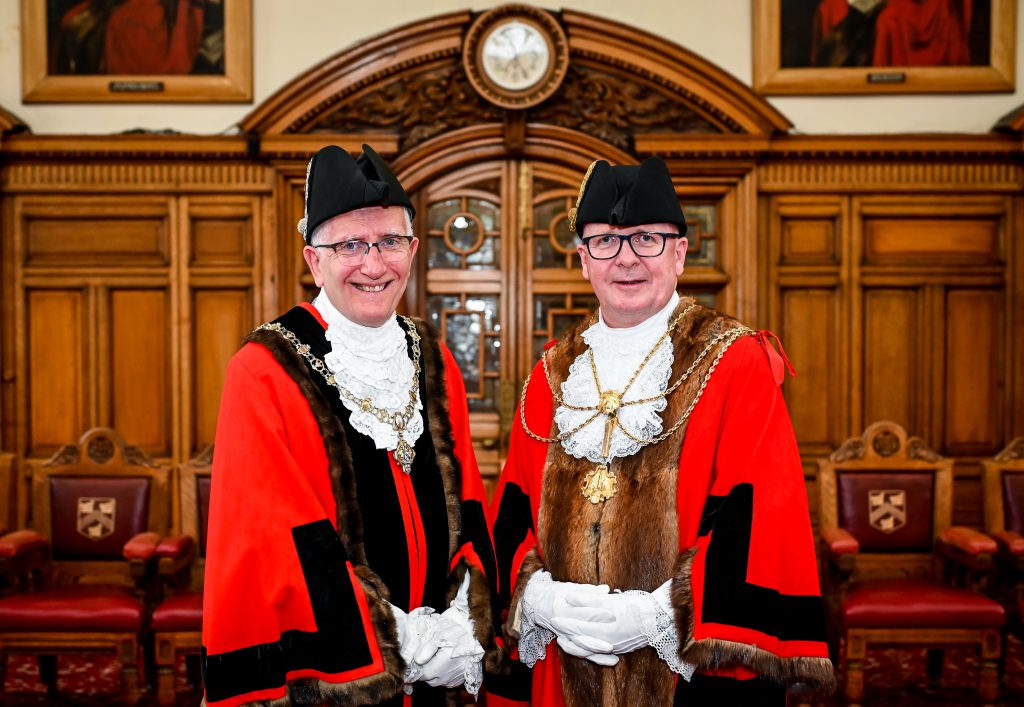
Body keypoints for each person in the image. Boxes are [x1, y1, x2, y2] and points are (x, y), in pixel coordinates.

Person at [490, 157, 836, 705]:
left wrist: (657, 614)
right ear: (583, 259)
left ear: (679, 251)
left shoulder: (735, 360)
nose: (626, 259)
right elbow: (512, 509)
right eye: (605, 241)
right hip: (563, 654)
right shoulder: (551, 373)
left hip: (688, 671)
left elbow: (759, 514)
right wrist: (539, 599)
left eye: (647, 239)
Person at [202, 144, 499, 707]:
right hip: (337, 674)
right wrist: (399, 637)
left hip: (442, 667)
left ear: (412, 250)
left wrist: (464, 618)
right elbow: (277, 542)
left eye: (389, 242)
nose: (373, 264)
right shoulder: (264, 369)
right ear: (314, 260)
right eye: (349, 246)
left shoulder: (433, 356)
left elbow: (468, 499)